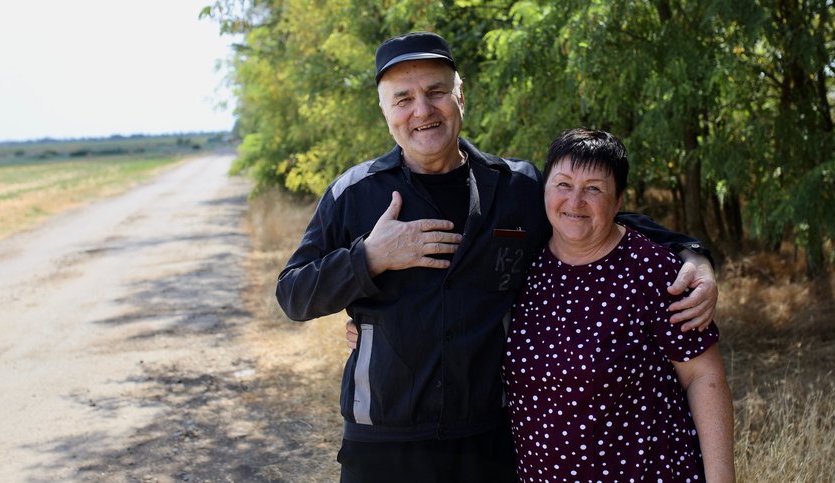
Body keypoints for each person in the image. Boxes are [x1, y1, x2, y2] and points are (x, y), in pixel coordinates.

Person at [276, 32, 719, 483]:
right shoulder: (353, 194)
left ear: (460, 97)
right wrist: (369, 257)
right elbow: (293, 294)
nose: (422, 111)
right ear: (385, 111)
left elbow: (593, 215)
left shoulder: (518, 188)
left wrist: (694, 254)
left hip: (489, 441)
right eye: (403, 98)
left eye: (436, 92)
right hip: (383, 445)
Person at [503, 128, 734, 482]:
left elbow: (704, 377)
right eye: (563, 184)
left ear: (618, 200)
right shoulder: (523, 264)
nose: (575, 201)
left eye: (593, 188)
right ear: (544, 189)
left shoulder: (654, 271)